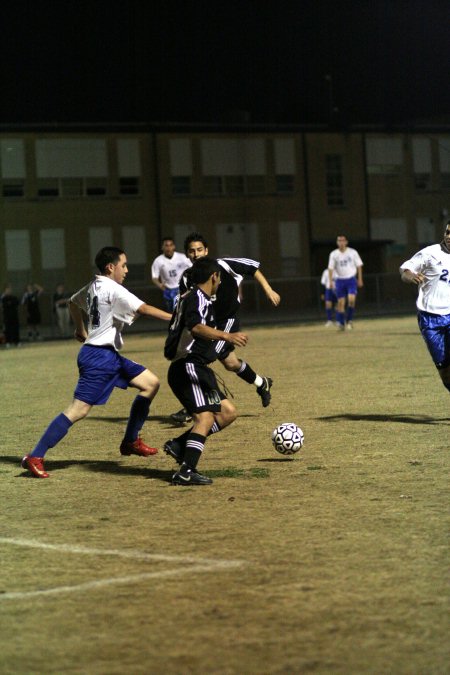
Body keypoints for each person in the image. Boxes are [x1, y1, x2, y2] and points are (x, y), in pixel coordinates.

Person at [21, 246, 172, 479]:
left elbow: (72, 302)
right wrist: (177, 319)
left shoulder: (92, 286)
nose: (127, 270)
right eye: (124, 265)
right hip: (99, 358)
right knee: (78, 409)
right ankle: (35, 456)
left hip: (106, 355)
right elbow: (144, 308)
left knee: (150, 383)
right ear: (111, 267)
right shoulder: (114, 288)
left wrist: (79, 329)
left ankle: (131, 440)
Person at [170, 232, 281, 424]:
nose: (196, 254)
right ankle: (262, 383)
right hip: (209, 326)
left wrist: (268, 289)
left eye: (199, 250)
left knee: (200, 360)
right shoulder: (188, 278)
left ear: (207, 250)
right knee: (230, 363)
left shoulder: (224, 265)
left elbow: (253, 268)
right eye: (191, 251)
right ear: (187, 254)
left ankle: (195, 406)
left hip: (227, 322)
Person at [164, 256, 248, 485]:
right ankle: (186, 470)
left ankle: (180, 445)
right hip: (188, 367)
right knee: (205, 417)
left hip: (195, 367)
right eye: (219, 277)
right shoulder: (197, 298)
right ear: (214, 276)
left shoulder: (191, 297)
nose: (220, 282)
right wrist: (226, 335)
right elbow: (196, 326)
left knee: (228, 412)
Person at [400, 221, 450, 397]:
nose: (449, 237)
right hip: (429, 318)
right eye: (448, 232)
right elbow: (405, 270)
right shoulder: (430, 253)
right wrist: (411, 275)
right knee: (444, 370)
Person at [328, 235, 363, 330]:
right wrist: (330, 281)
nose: (341, 242)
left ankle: (349, 320)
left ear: (346, 242)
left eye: (343, 240)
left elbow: (359, 265)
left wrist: (360, 279)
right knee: (341, 303)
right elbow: (330, 268)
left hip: (351, 279)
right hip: (339, 280)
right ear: (337, 242)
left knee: (351, 300)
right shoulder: (333, 254)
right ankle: (341, 322)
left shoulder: (352, 252)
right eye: (339, 241)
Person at [151, 236, 191, 312]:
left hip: (181, 288)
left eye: (170, 245)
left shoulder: (182, 258)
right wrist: (160, 285)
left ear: (174, 246)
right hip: (168, 289)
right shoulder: (158, 261)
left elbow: (193, 267)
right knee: (171, 312)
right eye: (166, 245)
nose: (168, 248)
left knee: (182, 310)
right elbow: (154, 277)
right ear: (162, 247)